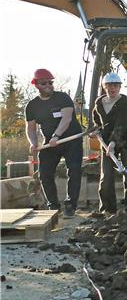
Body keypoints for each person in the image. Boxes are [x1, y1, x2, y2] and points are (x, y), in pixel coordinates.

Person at [25, 68, 83, 217]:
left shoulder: (63, 98)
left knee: (74, 170)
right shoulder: (32, 106)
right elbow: (31, 128)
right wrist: (33, 143)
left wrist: (56, 136)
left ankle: (70, 205)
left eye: (50, 82)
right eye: (44, 83)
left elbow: (66, 119)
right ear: (36, 84)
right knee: (44, 173)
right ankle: (53, 206)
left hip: (71, 139)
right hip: (50, 143)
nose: (48, 85)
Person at [91, 72, 127, 214]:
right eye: (109, 85)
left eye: (116, 85)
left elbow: (121, 124)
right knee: (106, 177)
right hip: (106, 143)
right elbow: (97, 120)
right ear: (104, 87)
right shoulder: (99, 103)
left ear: (120, 87)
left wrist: (113, 142)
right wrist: (96, 130)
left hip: (126, 141)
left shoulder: (125, 103)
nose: (113, 88)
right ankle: (108, 209)